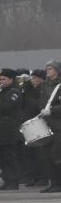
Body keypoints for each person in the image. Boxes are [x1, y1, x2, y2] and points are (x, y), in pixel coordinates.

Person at [39, 60, 61, 192]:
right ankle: (53, 182)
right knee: (46, 155)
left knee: (56, 154)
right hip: (46, 123)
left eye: (51, 68)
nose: (48, 71)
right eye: (47, 68)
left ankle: (58, 183)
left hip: (58, 124)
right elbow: (41, 102)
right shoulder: (45, 85)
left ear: (57, 71)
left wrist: (52, 111)